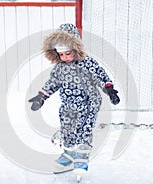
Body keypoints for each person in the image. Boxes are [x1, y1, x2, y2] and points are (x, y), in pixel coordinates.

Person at [28, 23, 120, 174]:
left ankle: (82, 159)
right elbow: (52, 83)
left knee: (84, 130)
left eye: (68, 53)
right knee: (67, 129)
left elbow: (100, 75)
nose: (64, 58)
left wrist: (109, 90)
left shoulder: (87, 63)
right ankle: (69, 154)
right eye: (61, 55)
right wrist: (41, 97)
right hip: (69, 104)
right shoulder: (60, 67)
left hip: (88, 102)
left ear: (76, 49)